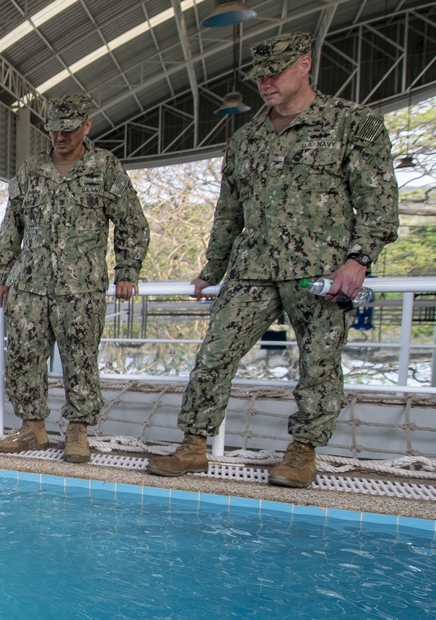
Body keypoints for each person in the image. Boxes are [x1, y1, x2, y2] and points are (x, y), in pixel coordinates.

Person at [146, 33, 399, 488]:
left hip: (321, 271)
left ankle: (303, 453)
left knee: (319, 365)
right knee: (214, 356)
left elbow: (378, 203)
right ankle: (194, 444)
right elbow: (228, 212)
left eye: (275, 71)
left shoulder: (351, 124)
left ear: (305, 65)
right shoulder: (246, 139)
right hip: (253, 270)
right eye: (259, 75)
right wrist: (212, 270)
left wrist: (358, 260)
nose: (264, 82)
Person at [0, 94, 150, 463]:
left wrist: (127, 270)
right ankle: (33, 429)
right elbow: (12, 226)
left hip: (82, 288)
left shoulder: (104, 167)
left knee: (80, 360)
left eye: (68, 129)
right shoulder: (30, 170)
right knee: (24, 357)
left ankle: (78, 431)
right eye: (54, 129)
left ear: (86, 125)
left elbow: (131, 221)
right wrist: (5, 273)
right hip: (31, 284)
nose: (60, 137)